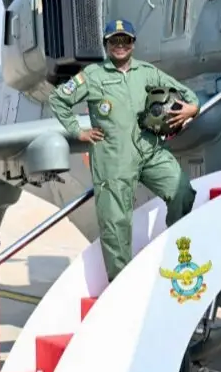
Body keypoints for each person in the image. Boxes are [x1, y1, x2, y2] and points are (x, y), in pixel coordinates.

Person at [48, 18, 201, 283]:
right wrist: (78, 131)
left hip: (149, 151)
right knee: (116, 224)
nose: (120, 45)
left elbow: (185, 93)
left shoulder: (146, 72)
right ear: (106, 44)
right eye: (114, 41)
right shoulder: (92, 76)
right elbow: (58, 99)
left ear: (133, 43)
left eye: (125, 40)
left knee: (182, 191)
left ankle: (172, 247)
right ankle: (121, 285)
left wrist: (193, 108)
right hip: (113, 158)